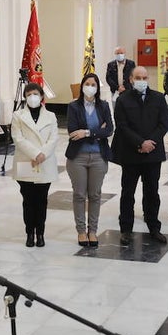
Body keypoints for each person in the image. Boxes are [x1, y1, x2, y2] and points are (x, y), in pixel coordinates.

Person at [112, 66, 168, 245]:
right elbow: (122, 125)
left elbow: (163, 124)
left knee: (152, 191)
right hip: (131, 153)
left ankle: (154, 227)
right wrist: (140, 143)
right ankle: (126, 229)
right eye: (138, 77)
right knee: (128, 192)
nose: (142, 81)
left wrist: (149, 143)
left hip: (152, 153)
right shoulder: (123, 99)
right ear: (131, 79)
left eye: (144, 78)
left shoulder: (158, 98)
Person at [65, 72, 112, 247]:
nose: (90, 87)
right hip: (78, 157)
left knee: (95, 195)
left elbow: (109, 130)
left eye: (94, 84)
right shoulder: (73, 107)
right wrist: (97, 131)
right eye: (87, 83)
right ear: (82, 85)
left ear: (98, 88)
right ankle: (81, 231)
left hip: (99, 156)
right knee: (79, 195)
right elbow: (72, 131)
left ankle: (93, 230)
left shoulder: (104, 106)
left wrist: (86, 132)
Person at [10, 82, 59, 247]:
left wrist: (42, 153)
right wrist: (35, 153)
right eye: (29, 94)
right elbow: (17, 138)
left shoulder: (51, 116)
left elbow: (54, 138)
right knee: (28, 199)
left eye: (35, 94)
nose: (32, 97)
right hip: (26, 161)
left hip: (44, 161)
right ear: (25, 97)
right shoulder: (18, 116)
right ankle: (29, 233)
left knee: (42, 200)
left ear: (42, 97)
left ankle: (41, 233)